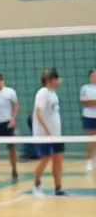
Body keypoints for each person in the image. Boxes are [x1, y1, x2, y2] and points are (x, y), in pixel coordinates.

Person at [33, 69, 67, 197]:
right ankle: (36, 185)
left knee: (58, 159)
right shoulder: (42, 93)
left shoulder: (53, 94)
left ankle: (58, 187)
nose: (59, 80)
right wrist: (47, 132)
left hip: (56, 134)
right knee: (45, 158)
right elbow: (38, 113)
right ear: (49, 80)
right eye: (56, 78)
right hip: (44, 135)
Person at [81, 68, 96, 173]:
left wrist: (91, 101)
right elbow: (84, 102)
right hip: (89, 117)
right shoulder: (85, 88)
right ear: (90, 77)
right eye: (93, 76)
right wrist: (90, 102)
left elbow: (89, 102)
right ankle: (89, 162)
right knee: (90, 141)